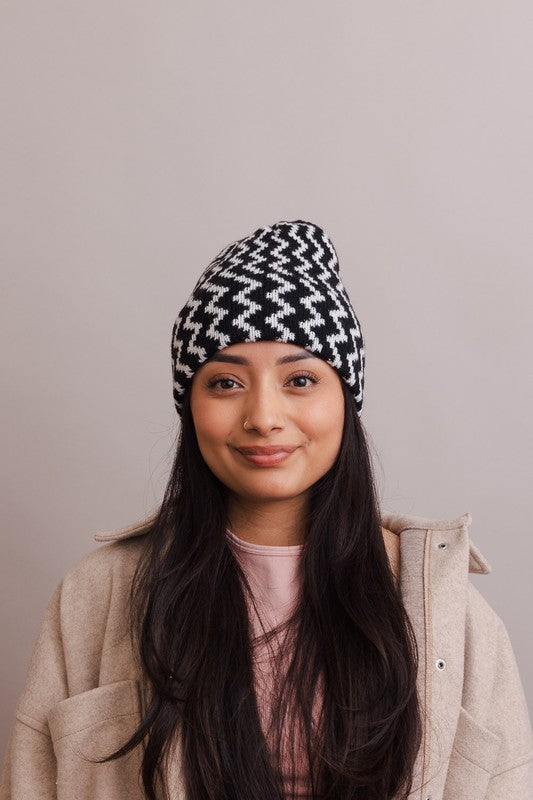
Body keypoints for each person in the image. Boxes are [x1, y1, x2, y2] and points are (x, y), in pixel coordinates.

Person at [1, 219, 532, 800]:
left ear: (345, 400)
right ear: (190, 405)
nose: (263, 417)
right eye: (225, 383)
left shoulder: (446, 614)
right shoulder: (96, 596)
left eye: (300, 379)